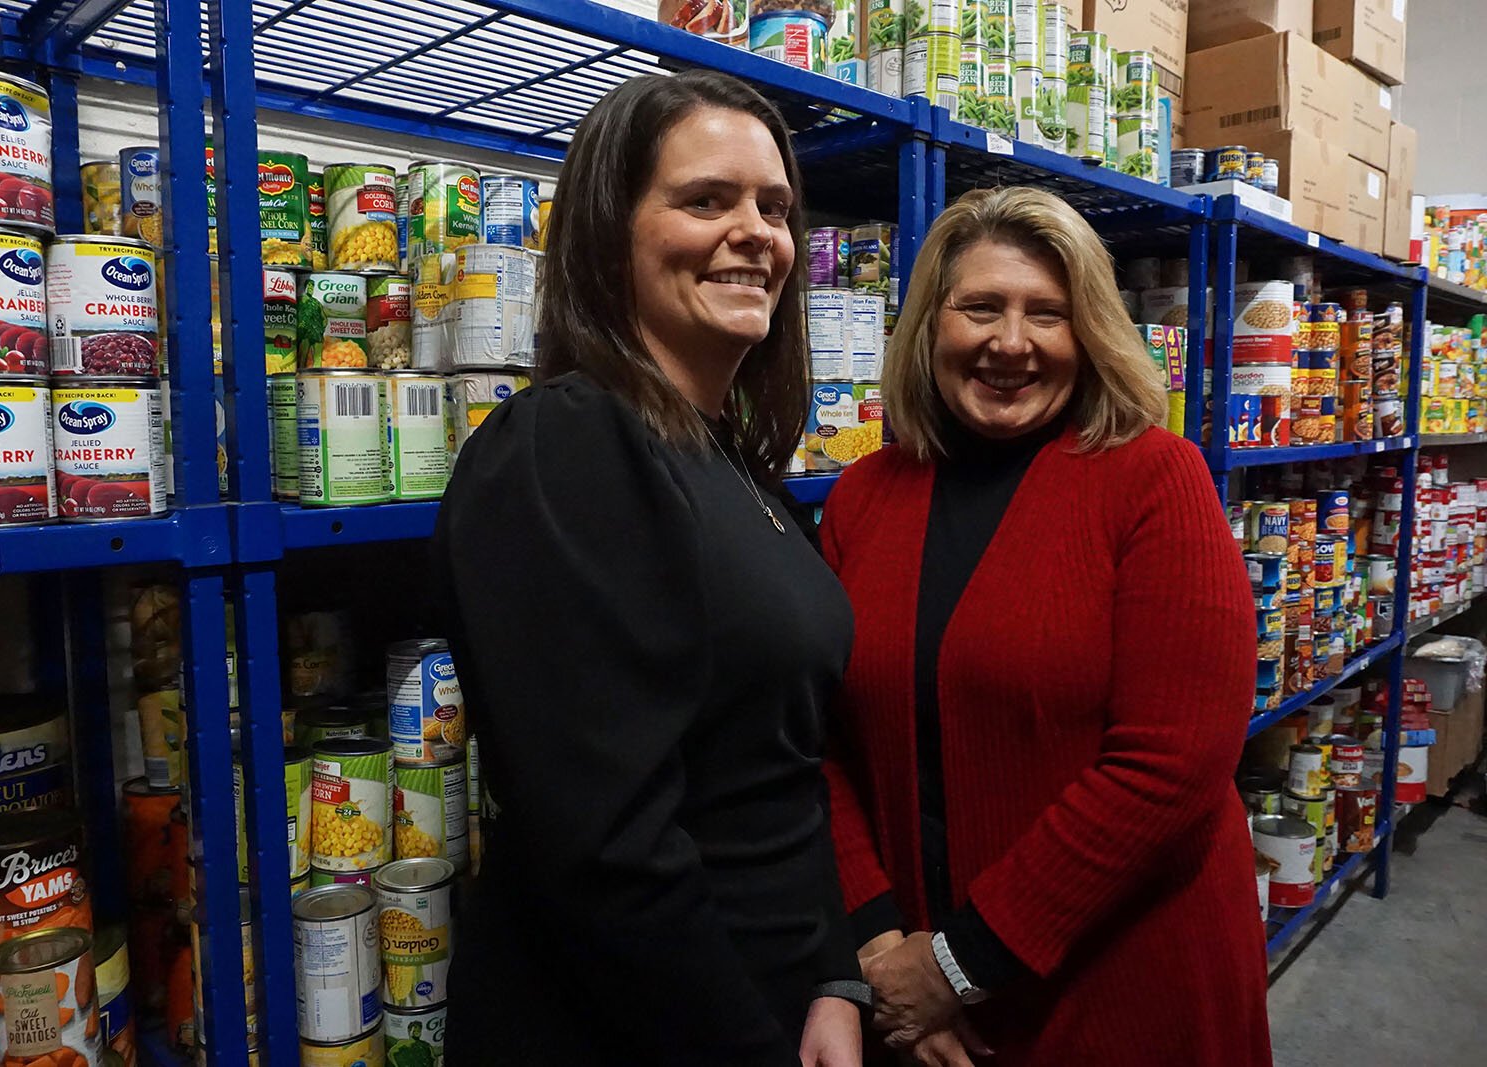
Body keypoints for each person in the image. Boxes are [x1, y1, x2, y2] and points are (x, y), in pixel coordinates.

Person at [432, 70, 869, 1066]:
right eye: (705, 200)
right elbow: (607, 853)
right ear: (607, 231)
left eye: (774, 207)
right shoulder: (567, 444)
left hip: (778, 999)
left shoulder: (732, 462)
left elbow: (783, 772)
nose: (755, 231)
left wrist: (833, 979)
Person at [820, 187, 1271, 1067]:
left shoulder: (1155, 479)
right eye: (980, 306)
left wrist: (959, 960)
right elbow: (820, 740)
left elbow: (1174, 762)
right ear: (928, 326)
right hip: (917, 1006)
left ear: (1091, 333)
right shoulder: (861, 499)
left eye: (1047, 314)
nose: (1011, 342)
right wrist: (878, 939)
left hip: (1126, 988)